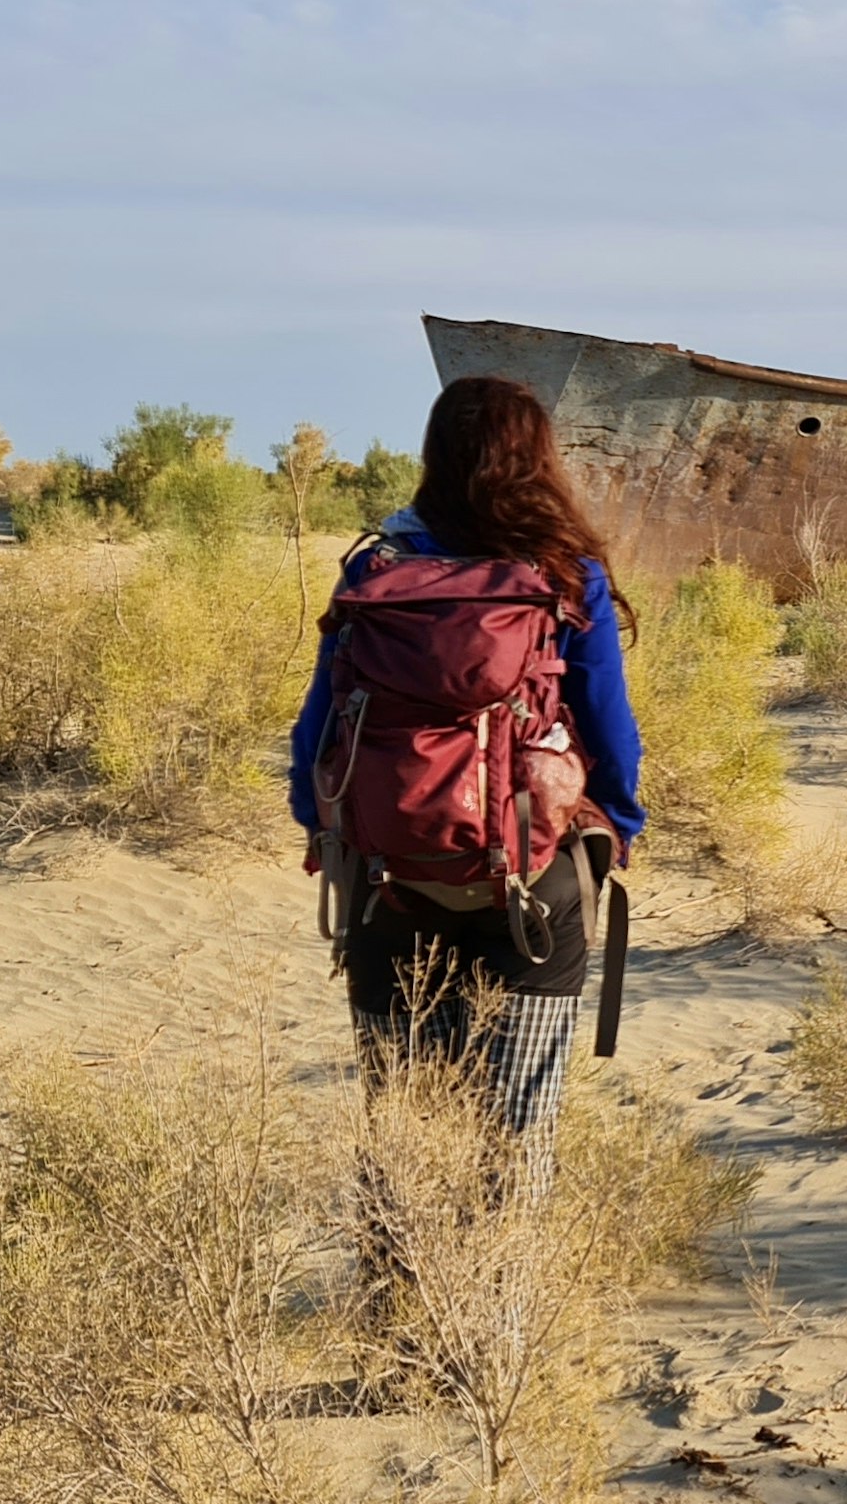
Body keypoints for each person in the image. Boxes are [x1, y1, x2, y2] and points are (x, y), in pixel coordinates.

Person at [292, 375, 645, 1193]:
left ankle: (395, 1308)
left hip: (388, 881)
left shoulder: (376, 569)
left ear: (435, 455)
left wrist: (325, 835)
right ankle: (498, 1315)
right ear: (539, 460)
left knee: (403, 1135)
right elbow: (608, 727)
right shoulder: (566, 573)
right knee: (515, 1139)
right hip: (533, 880)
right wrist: (619, 825)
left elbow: (318, 727)